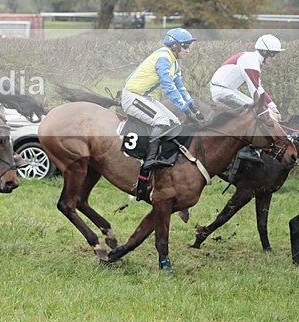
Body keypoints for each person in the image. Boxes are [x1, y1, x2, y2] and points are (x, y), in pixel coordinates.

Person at [121, 27, 203, 200]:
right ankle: (149, 160)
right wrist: (184, 109)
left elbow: (180, 86)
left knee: (174, 122)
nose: (188, 50)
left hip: (144, 97)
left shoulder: (174, 61)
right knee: (161, 121)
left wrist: (192, 105)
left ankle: (163, 159)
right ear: (175, 46)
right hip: (132, 96)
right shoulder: (164, 58)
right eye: (186, 46)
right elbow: (168, 87)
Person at [209, 34, 285, 176]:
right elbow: (255, 90)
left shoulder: (251, 59)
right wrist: (269, 111)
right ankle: (249, 151)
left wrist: (273, 107)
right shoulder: (250, 60)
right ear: (264, 52)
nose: (273, 58)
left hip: (225, 90)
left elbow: (258, 88)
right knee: (258, 114)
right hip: (223, 91)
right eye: (273, 54)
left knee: (260, 112)